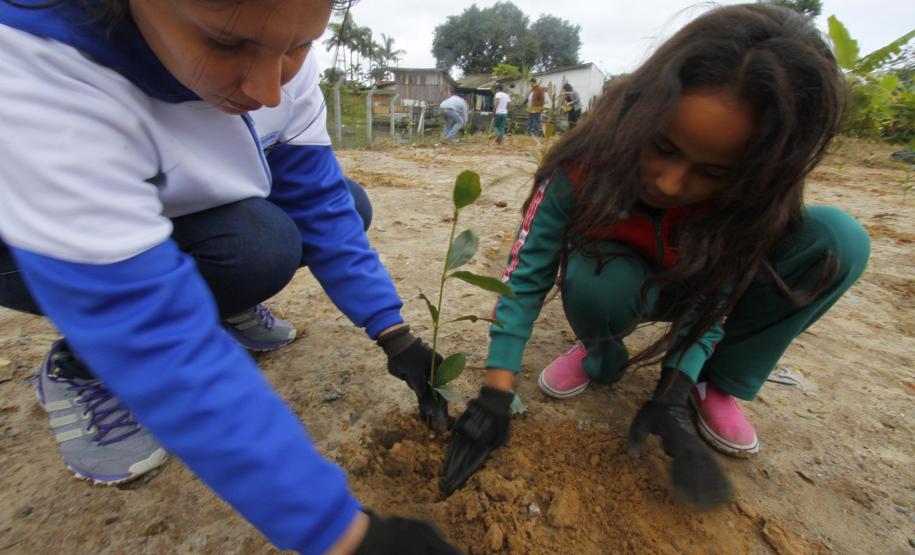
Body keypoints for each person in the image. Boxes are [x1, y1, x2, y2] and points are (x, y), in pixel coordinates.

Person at [0, 1, 461, 553]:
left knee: (343, 206)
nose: (269, 89)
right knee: (262, 249)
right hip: (26, 243)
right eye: (225, 44)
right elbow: (150, 330)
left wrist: (394, 333)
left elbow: (318, 200)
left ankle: (221, 297)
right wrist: (342, 533)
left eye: (297, 47)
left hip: (161, 211)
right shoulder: (40, 66)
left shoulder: (273, 33)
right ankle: (83, 364)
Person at [442, 3, 870, 510]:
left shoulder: (751, 201)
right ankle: (600, 352)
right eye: (663, 146)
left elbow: (720, 297)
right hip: (619, 281)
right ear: (642, 112)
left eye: (711, 173)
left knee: (840, 241)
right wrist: (495, 393)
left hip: (693, 283)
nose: (670, 182)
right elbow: (525, 275)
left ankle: (711, 385)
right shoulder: (584, 168)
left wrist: (671, 393)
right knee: (599, 283)